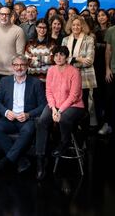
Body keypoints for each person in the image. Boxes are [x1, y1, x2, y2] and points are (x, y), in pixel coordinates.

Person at [0, 55, 46, 174]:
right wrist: (6, 112)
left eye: (22, 65)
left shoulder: (36, 83)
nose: (19, 68)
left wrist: (28, 115)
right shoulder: (4, 81)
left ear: (27, 66)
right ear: (12, 66)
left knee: (28, 131)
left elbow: (43, 105)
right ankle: (21, 160)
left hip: (27, 119)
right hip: (10, 118)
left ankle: (3, 163)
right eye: (16, 65)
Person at [35, 46, 84, 180]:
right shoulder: (51, 70)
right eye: (56, 55)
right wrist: (54, 108)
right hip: (54, 105)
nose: (58, 57)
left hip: (74, 105)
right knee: (41, 121)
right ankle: (40, 159)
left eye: (61, 55)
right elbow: (48, 92)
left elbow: (74, 96)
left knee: (63, 119)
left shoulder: (74, 72)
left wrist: (60, 110)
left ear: (66, 57)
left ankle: (64, 143)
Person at [62, 15, 96, 114]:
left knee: (85, 105)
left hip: (85, 77)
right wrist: (78, 59)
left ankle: (85, 128)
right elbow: (62, 59)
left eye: (78, 25)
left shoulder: (89, 39)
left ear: (82, 27)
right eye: (73, 25)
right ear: (70, 26)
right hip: (68, 77)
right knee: (70, 104)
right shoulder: (65, 40)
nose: (76, 27)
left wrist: (71, 61)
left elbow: (89, 61)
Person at [0, 6, 26, 86]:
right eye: (2, 14)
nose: (4, 17)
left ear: (11, 15)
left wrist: (17, 71)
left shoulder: (18, 31)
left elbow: (20, 55)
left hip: (13, 73)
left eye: (6, 14)